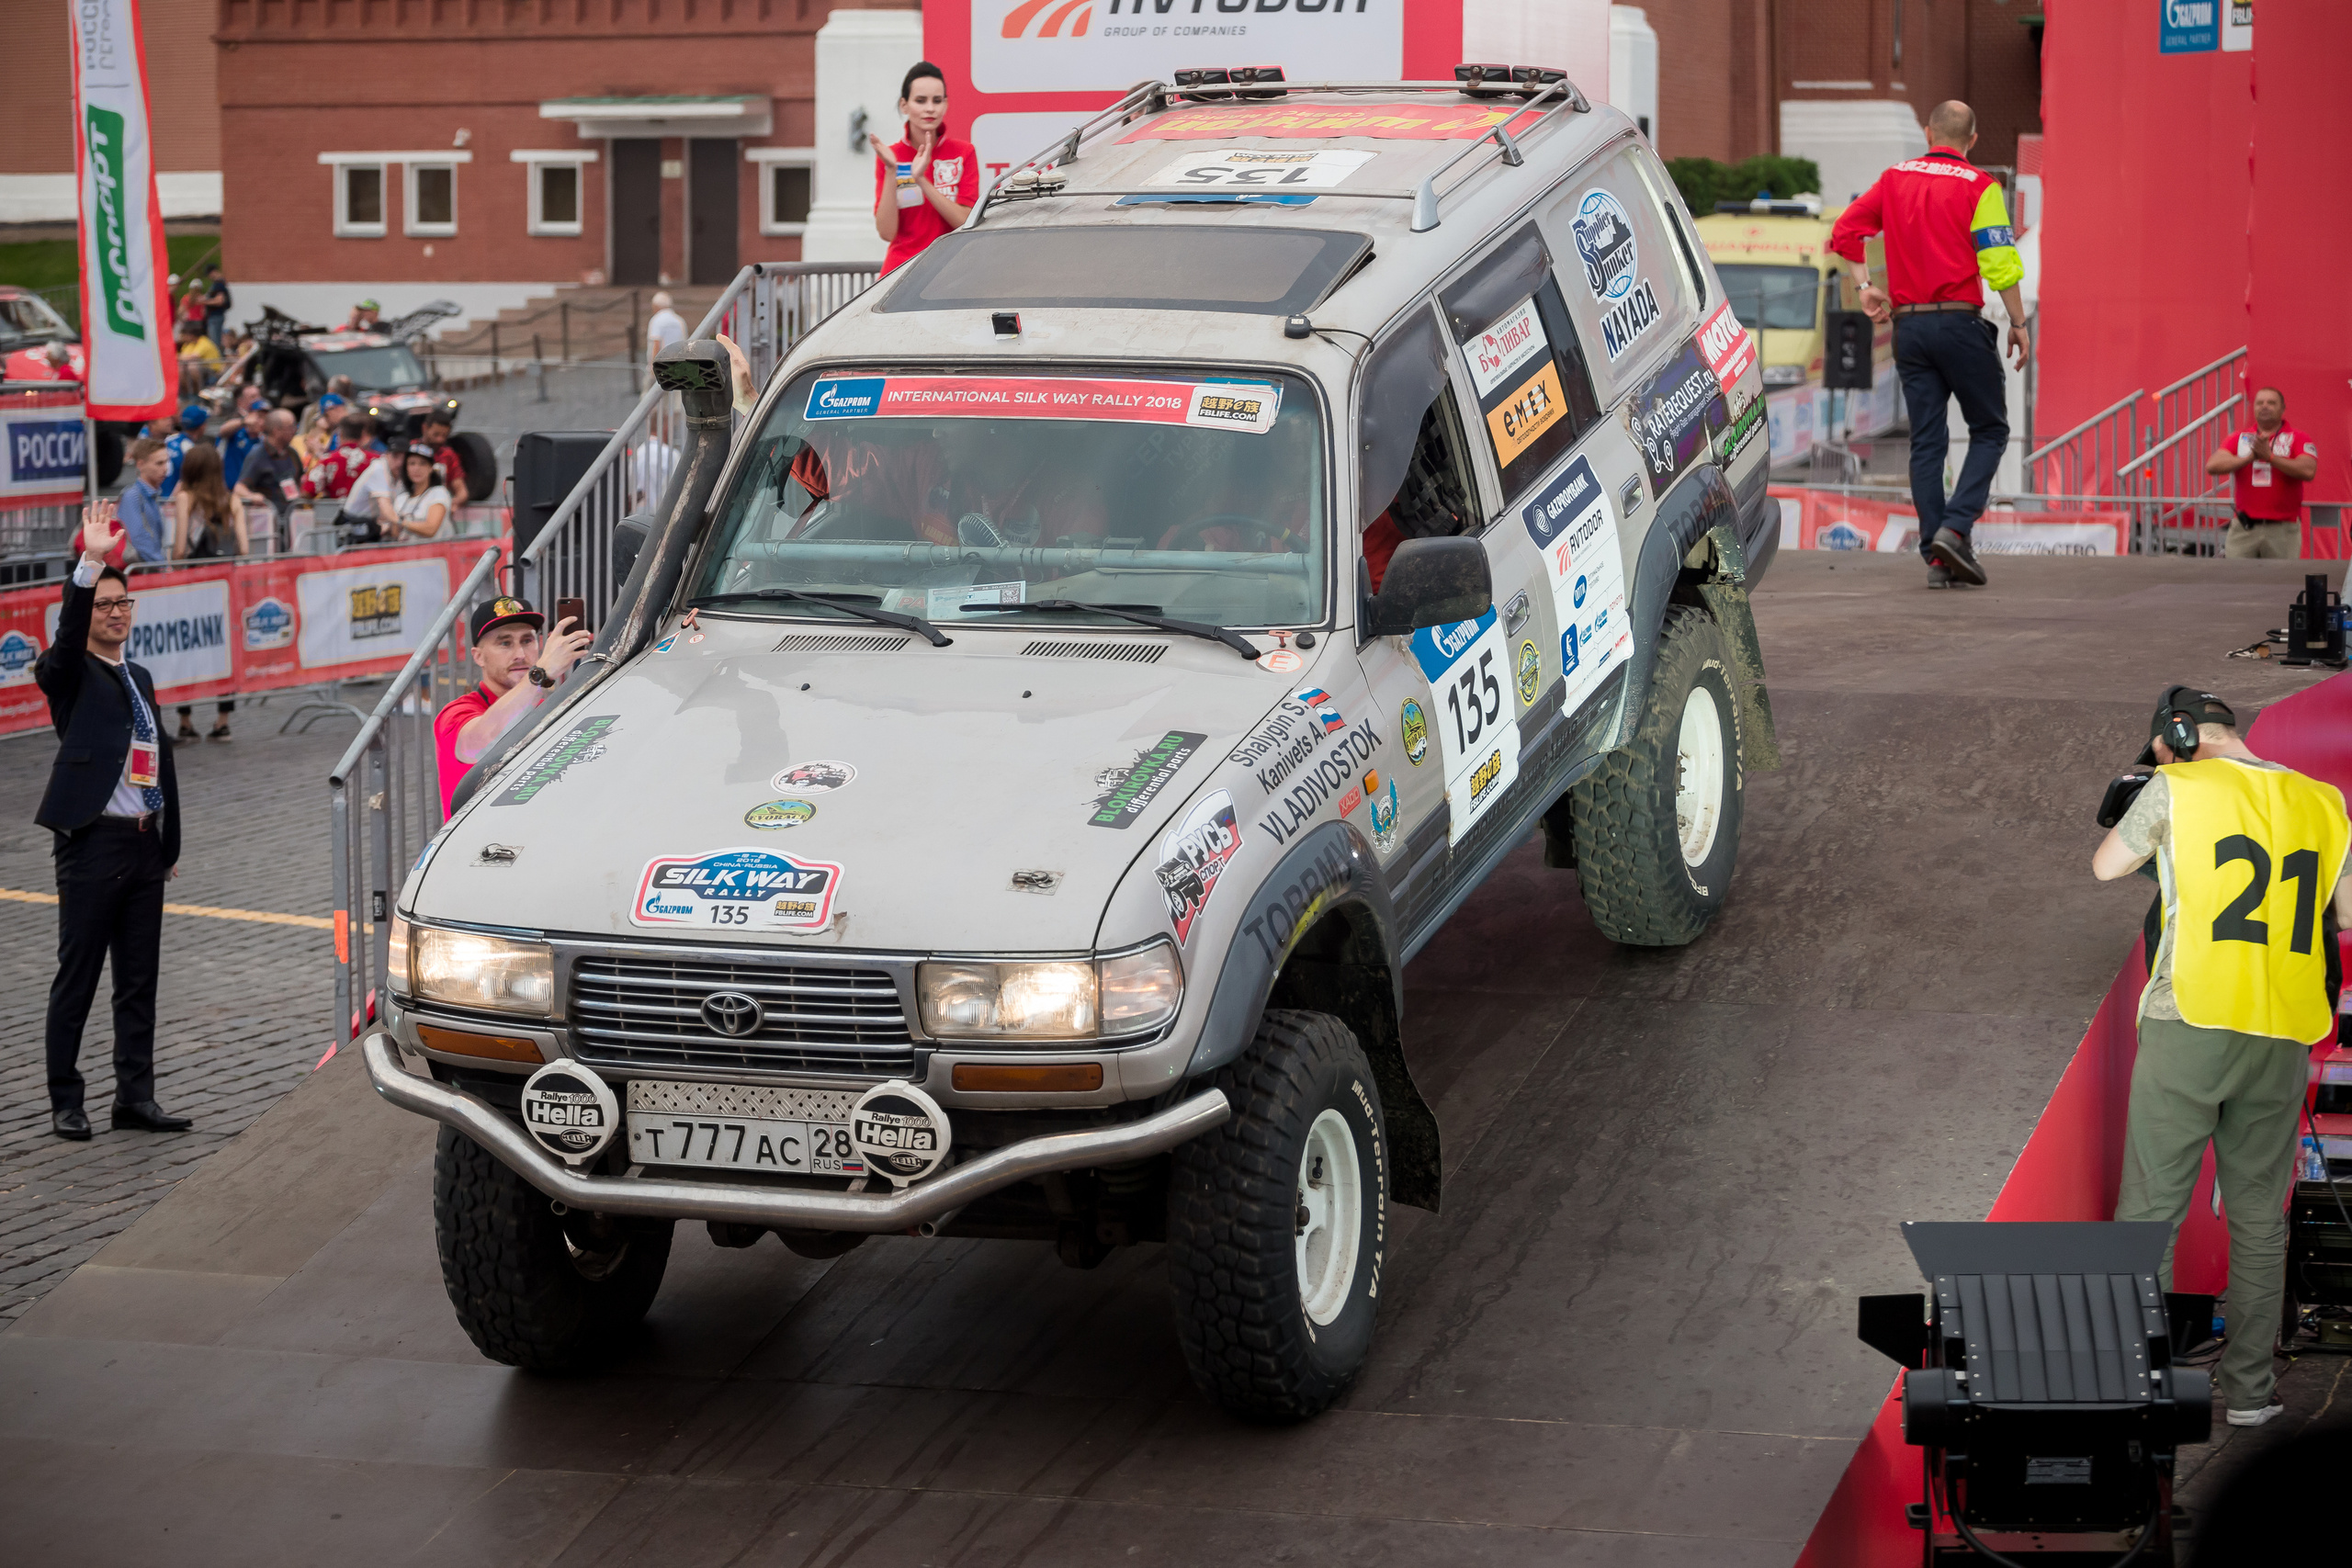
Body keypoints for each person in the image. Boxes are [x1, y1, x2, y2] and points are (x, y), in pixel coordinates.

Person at [2092, 686, 2352, 1428]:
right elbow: (2347, 913)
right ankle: (2249, 1395)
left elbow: (2107, 866)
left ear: (2177, 738)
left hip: (2192, 1019)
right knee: (2260, 1218)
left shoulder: (2177, 786)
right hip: (2282, 1032)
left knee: (2151, 1213)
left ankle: (2138, 1394)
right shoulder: (2323, 801)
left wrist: (2154, 800)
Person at [34, 503, 193, 1141]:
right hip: (92, 843)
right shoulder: (68, 672)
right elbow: (69, 634)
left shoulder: (140, 676)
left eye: (122, 603)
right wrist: (91, 563)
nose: (115, 613)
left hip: (142, 845)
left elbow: (159, 760)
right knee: (77, 977)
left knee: (138, 981)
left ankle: (135, 1097)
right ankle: (65, 1099)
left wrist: (166, 843)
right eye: (104, 605)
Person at [1829, 100, 2030, 591]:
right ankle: (1954, 530)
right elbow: (2000, 261)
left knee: (1927, 441)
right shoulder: (1981, 186)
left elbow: (1845, 232)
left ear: (1927, 133)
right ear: (1973, 140)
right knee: (1990, 429)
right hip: (1960, 324)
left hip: (1909, 329)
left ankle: (1937, 558)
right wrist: (2019, 322)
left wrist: (1865, 287)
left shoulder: (1894, 178)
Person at [434, 597, 594, 813]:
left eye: (527, 641)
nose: (520, 655)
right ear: (478, 657)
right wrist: (540, 674)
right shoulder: (456, 712)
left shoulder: (549, 708)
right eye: (505, 643)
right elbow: (480, 744)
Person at [867, 61, 978, 276]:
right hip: (901, 273)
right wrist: (891, 170)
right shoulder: (890, 157)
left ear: (945, 104)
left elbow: (965, 222)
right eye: (920, 100)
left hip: (951, 272)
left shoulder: (963, 152)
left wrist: (921, 180)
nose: (930, 108)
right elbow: (887, 233)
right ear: (904, 105)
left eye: (937, 100)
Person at [168, 445, 246, 741]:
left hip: (193, 586)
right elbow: (244, 548)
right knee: (224, 652)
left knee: (187, 650)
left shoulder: (186, 499)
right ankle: (223, 719)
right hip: (225, 586)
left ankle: (186, 721)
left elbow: (179, 550)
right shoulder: (232, 500)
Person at [2205, 386, 2319, 559]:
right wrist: (2249, 458)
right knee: (2237, 575)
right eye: (2260, 403)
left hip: (2283, 531)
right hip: (2244, 528)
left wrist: (2270, 458)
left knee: (2281, 576)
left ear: (2282, 408)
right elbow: (2213, 465)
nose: (2264, 406)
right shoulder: (2240, 437)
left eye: (2271, 403)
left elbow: (2308, 470)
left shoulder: (2298, 437)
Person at [233, 409, 305, 549]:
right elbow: (239, 488)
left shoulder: (292, 453)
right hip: (268, 526)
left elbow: (300, 480)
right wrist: (252, 496)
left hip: (293, 522)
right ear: (276, 431)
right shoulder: (258, 455)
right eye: (291, 427)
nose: (294, 431)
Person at [117, 440, 173, 564]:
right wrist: (162, 565)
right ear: (140, 464)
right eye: (159, 463)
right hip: (144, 569)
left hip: (150, 567)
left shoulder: (150, 495)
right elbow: (138, 540)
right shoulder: (133, 496)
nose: (165, 468)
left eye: (167, 462)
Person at [384, 446, 451, 541]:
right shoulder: (401, 498)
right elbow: (395, 533)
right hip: (404, 548)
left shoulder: (439, 493)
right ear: (406, 468)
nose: (416, 468)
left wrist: (400, 521)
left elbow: (431, 530)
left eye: (422, 464)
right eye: (412, 463)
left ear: (431, 467)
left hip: (433, 549)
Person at [415, 405, 470, 504]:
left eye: (444, 435)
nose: (440, 440)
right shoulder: (410, 450)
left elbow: (462, 492)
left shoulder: (448, 455)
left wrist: (450, 504)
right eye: (436, 434)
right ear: (424, 428)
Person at [161, 403, 209, 497]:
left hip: (158, 498)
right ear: (202, 426)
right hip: (176, 500)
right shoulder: (193, 450)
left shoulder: (168, 440)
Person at [218, 400, 266, 490]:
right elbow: (222, 431)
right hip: (227, 489)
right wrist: (243, 421)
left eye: (265, 418)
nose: (261, 422)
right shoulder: (237, 432)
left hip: (248, 491)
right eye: (259, 417)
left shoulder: (263, 441)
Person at [645, 290, 686, 373]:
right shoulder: (679, 320)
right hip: (679, 363)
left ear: (656, 306)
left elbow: (656, 343)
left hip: (661, 364)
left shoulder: (657, 320)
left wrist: (653, 366)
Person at [201, 265, 232, 349]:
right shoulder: (220, 283)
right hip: (215, 317)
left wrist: (203, 302)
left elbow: (219, 300)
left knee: (214, 342)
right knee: (215, 340)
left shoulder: (218, 284)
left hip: (215, 317)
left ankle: (217, 356)